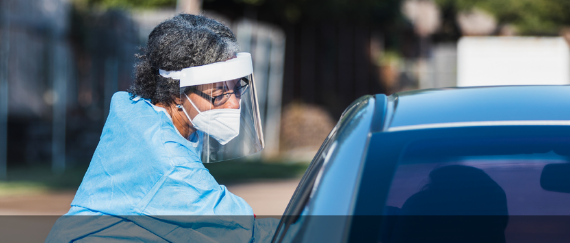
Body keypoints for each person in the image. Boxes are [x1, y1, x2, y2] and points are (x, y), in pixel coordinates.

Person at [45, 14, 276, 242]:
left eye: (237, 88)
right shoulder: (168, 164)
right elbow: (241, 229)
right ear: (177, 93)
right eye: (219, 93)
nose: (235, 103)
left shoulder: (145, 115)